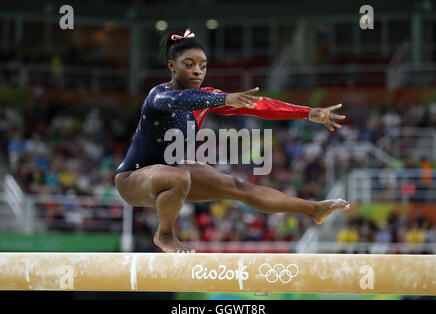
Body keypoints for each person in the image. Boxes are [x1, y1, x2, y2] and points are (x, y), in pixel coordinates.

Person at [115, 28, 350, 253]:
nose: (198, 71)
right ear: (172, 66)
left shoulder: (207, 98)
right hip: (133, 179)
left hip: (172, 173)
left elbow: (259, 106)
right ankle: (165, 234)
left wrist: (307, 112)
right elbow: (183, 100)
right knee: (179, 175)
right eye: (189, 65)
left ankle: (314, 209)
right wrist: (224, 98)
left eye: (203, 66)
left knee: (238, 187)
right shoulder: (159, 95)